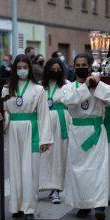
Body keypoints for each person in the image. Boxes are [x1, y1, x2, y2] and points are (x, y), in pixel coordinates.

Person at [61, 53, 110, 220]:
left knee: (98, 170)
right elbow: (68, 100)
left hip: (96, 133)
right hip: (77, 132)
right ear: (74, 68)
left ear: (89, 67)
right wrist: (85, 87)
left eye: (84, 64)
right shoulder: (68, 87)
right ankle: (83, 204)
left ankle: (99, 206)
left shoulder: (99, 86)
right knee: (79, 170)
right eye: (77, 64)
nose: (81, 67)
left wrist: (98, 86)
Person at [0, 55, 53, 220]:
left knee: (30, 171)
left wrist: (45, 139)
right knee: (15, 170)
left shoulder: (38, 89)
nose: (22, 70)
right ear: (14, 69)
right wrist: (1, 116)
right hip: (13, 130)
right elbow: (5, 110)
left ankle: (29, 209)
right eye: (19, 67)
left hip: (32, 129)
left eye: (25, 67)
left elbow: (43, 114)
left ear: (29, 68)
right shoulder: (7, 89)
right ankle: (17, 207)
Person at [38, 58, 72, 204]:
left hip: (61, 122)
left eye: (59, 69)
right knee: (46, 154)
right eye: (53, 69)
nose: (56, 72)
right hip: (44, 122)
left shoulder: (67, 85)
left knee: (59, 154)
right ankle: (45, 184)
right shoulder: (40, 87)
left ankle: (57, 188)